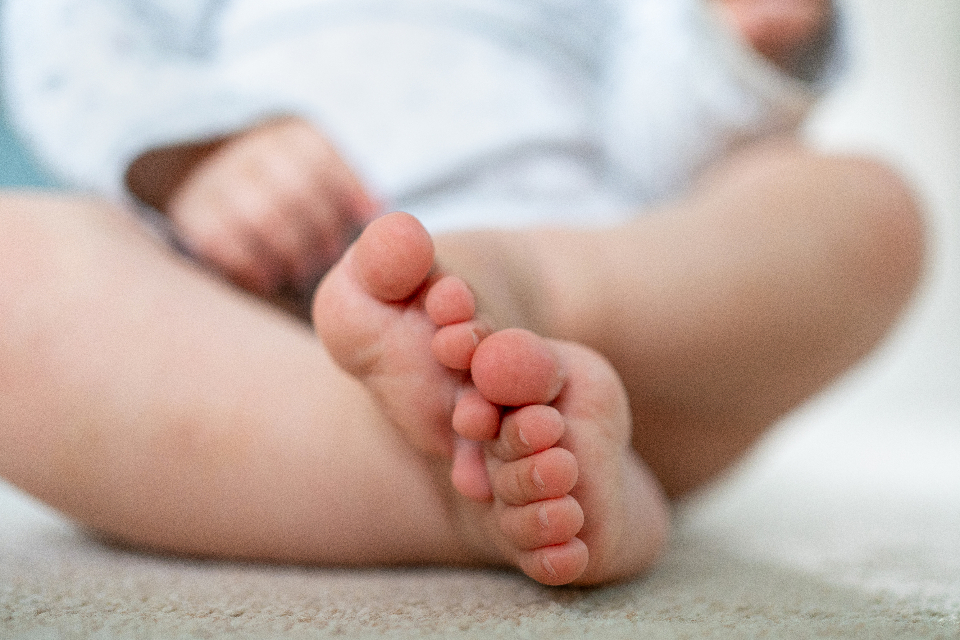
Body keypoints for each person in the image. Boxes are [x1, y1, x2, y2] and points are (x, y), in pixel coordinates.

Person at [0, 0, 924, 586]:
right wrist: (195, 149)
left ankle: (533, 298)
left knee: (860, 203)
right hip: (258, 340)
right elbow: (75, 34)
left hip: (613, 333)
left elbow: (664, 134)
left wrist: (732, 45)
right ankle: (458, 498)